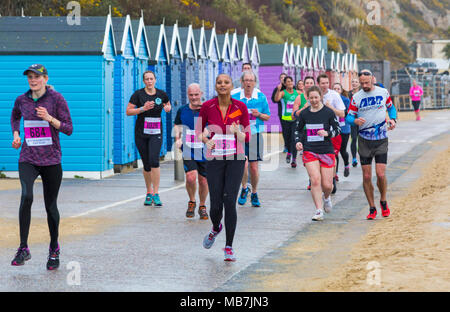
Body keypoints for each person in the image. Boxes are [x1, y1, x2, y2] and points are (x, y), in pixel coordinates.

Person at [10, 64, 73, 270]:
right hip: (28, 157)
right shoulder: (22, 100)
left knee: (50, 206)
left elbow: (68, 128)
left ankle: (54, 249)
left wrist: (49, 118)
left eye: (37, 77)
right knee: (26, 196)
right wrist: (17, 134)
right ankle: (23, 248)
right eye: (30, 77)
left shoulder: (57, 99)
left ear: (45, 79)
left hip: (51, 160)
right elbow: (15, 116)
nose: (33, 80)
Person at [198, 73, 251, 262]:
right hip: (214, 159)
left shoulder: (240, 107)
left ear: (231, 86)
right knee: (215, 204)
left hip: (235, 159)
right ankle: (215, 228)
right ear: (215, 86)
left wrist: (239, 133)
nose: (222, 85)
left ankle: (228, 246)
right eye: (219, 82)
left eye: (226, 82)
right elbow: (199, 132)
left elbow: (247, 137)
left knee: (230, 201)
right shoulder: (207, 107)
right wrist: (206, 141)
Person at [346, 69, 397, 220]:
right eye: (361, 83)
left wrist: (393, 119)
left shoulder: (383, 92)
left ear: (373, 79)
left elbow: (391, 108)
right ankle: (372, 207)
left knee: (380, 174)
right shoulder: (356, 97)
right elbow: (348, 117)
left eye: (367, 83)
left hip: (381, 138)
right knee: (367, 176)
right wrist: (354, 121)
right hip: (364, 140)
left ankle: (383, 200)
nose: (364, 85)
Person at [295, 86, 341, 221]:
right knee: (315, 180)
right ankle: (319, 210)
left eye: (316, 97)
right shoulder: (304, 114)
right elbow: (297, 130)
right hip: (310, 150)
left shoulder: (328, 112)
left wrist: (328, 133)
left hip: (326, 150)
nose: (314, 100)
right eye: (311, 98)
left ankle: (326, 197)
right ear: (307, 98)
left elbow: (337, 129)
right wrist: (298, 142)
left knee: (327, 185)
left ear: (320, 97)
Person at [127, 70, 171, 207]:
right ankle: (149, 192)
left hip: (156, 132)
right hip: (141, 132)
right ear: (143, 81)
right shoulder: (138, 94)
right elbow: (128, 111)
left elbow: (167, 104)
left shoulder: (161, 94)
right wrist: (142, 109)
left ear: (155, 80)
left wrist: (168, 107)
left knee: (154, 160)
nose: (149, 81)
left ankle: (156, 193)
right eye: (147, 79)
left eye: (151, 79)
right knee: (146, 164)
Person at [232, 71, 270, 207]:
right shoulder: (235, 97)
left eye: (251, 80)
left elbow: (268, 116)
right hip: (240, 135)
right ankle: (244, 188)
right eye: (246, 80)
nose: (248, 83)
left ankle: (254, 192)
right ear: (242, 82)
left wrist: (258, 114)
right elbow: (228, 115)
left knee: (254, 168)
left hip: (255, 134)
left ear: (255, 82)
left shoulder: (261, 97)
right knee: (244, 164)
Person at [174, 83, 209, 219]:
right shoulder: (182, 110)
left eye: (196, 94)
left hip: (204, 148)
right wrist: (177, 138)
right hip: (188, 148)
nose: (194, 98)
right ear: (187, 95)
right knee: (190, 177)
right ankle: (192, 201)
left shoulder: (207, 109)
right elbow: (177, 125)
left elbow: (212, 124)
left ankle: (202, 205)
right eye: (191, 95)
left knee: (203, 181)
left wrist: (206, 131)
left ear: (201, 94)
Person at [317, 74, 346, 194]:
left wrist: (330, 108)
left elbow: (342, 114)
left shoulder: (334, 95)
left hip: (332, 131)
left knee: (331, 156)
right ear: (318, 84)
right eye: (322, 83)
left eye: (326, 83)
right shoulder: (315, 95)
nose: (325, 85)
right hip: (317, 131)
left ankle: (332, 179)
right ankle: (318, 180)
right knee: (318, 157)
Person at [274, 76, 299, 168]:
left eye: (291, 81)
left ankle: (294, 159)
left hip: (295, 119)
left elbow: (304, 99)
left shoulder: (298, 93)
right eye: (288, 82)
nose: (290, 83)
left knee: (294, 138)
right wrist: (278, 90)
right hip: (285, 119)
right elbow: (276, 99)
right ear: (285, 84)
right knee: (287, 138)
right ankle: (289, 152)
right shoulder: (282, 93)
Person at [333, 82, 351, 178]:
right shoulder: (329, 100)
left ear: (341, 90)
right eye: (334, 89)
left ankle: (346, 165)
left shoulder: (345, 100)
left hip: (344, 128)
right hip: (334, 129)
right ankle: (335, 173)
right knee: (334, 151)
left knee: (342, 150)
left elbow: (346, 113)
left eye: (338, 89)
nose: (336, 91)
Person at [271, 73, 288, 152]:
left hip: (292, 113)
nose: (283, 79)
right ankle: (286, 145)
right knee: (285, 129)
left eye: (284, 77)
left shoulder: (292, 87)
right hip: (282, 113)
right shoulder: (278, 88)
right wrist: (278, 90)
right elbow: (273, 100)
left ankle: (293, 144)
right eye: (281, 77)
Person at [348, 77, 360, 167]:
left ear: (359, 84)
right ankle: (354, 158)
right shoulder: (348, 94)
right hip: (353, 119)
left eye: (356, 82)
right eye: (353, 81)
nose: (354, 83)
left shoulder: (362, 93)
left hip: (362, 119)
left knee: (362, 139)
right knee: (354, 138)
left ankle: (364, 156)